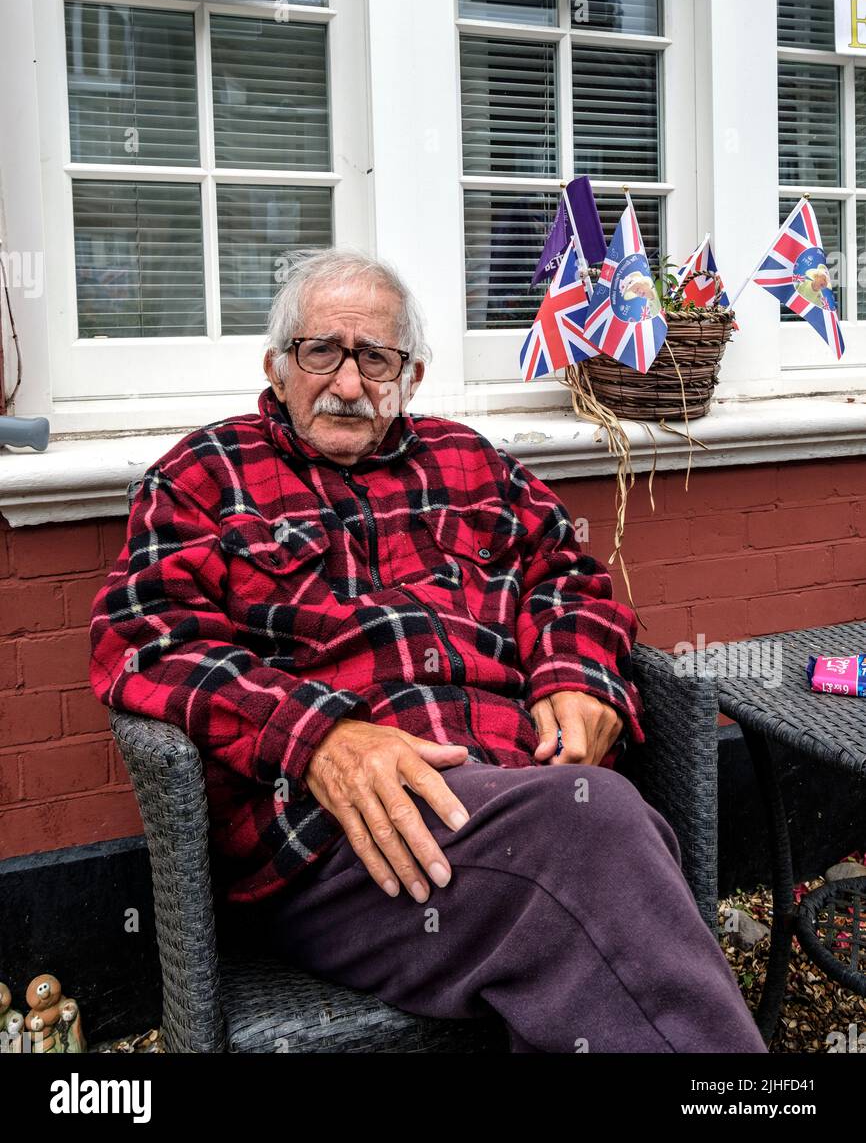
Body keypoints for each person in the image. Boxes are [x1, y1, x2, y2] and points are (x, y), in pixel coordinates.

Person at [89, 248, 767, 1054]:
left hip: (526, 793)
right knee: (597, 840)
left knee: (585, 883)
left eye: (375, 358)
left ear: (410, 376)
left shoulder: (472, 463)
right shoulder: (204, 476)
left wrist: (577, 676)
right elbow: (144, 641)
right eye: (321, 353)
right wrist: (317, 738)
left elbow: (565, 577)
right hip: (344, 844)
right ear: (276, 366)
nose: (348, 384)